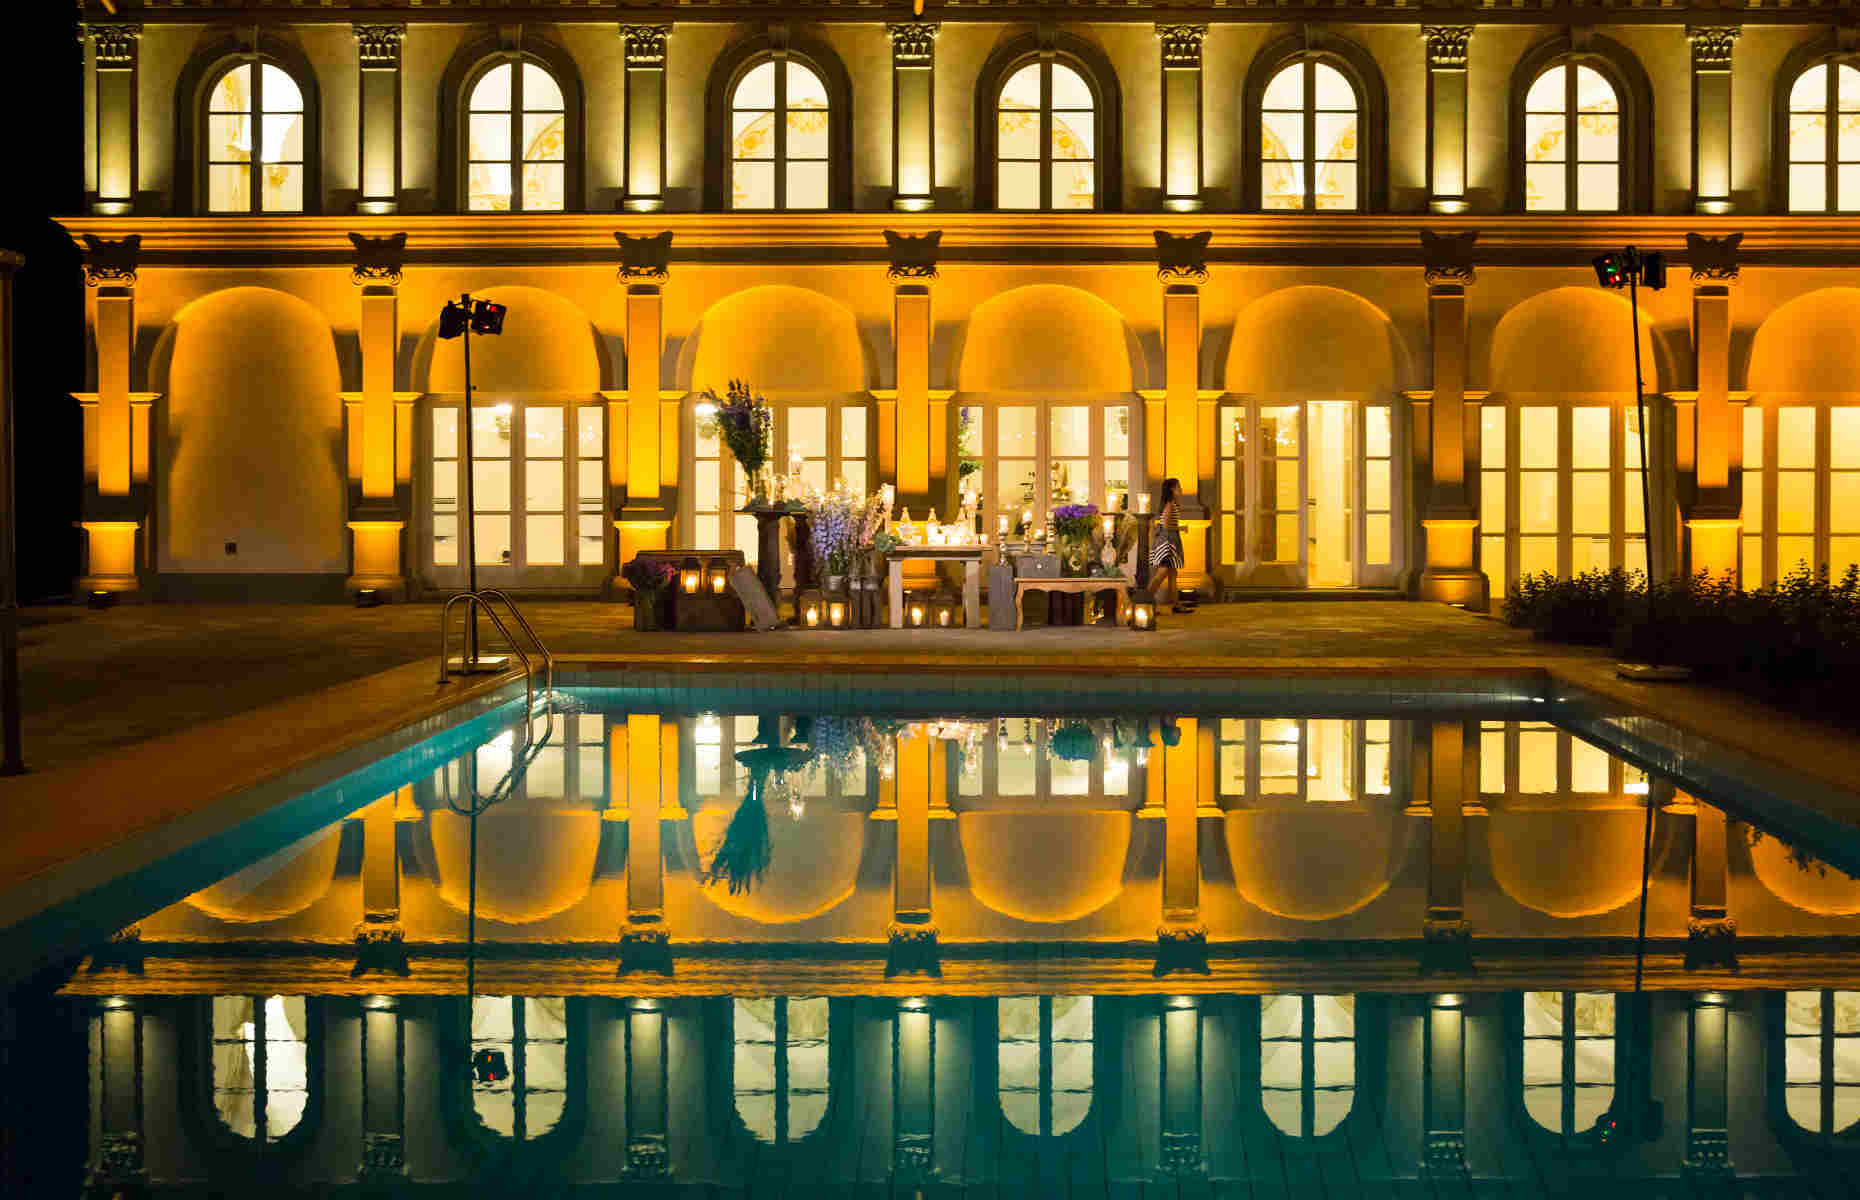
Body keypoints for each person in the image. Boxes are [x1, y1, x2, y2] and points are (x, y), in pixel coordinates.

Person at [1150, 477, 1193, 613]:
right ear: (1172, 489)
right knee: (1161, 573)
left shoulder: (1171, 504)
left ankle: (1176, 604)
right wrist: (1182, 529)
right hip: (1167, 543)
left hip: (1170, 541)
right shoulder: (1170, 504)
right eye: (1178, 486)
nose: (1180, 489)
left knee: (1173, 574)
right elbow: (1166, 525)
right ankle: (1145, 601)